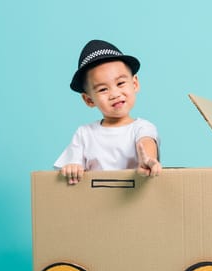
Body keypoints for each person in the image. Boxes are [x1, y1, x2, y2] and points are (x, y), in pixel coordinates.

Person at [54, 39, 162, 184]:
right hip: (95, 203)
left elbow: (145, 142)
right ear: (89, 100)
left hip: (134, 200)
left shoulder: (142, 128)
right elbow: (66, 169)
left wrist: (148, 160)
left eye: (120, 83)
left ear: (134, 83)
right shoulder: (84, 134)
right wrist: (72, 167)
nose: (115, 94)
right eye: (103, 89)